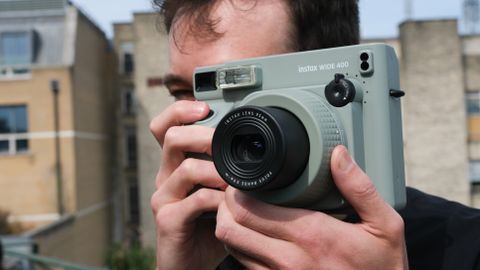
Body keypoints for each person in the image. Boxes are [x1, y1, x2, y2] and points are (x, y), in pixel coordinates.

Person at [149, 0, 480, 269]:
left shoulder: (466, 245)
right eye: (183, 93)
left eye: (241, 92)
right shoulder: (206, 245)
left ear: (331, 68)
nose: (219, 128)